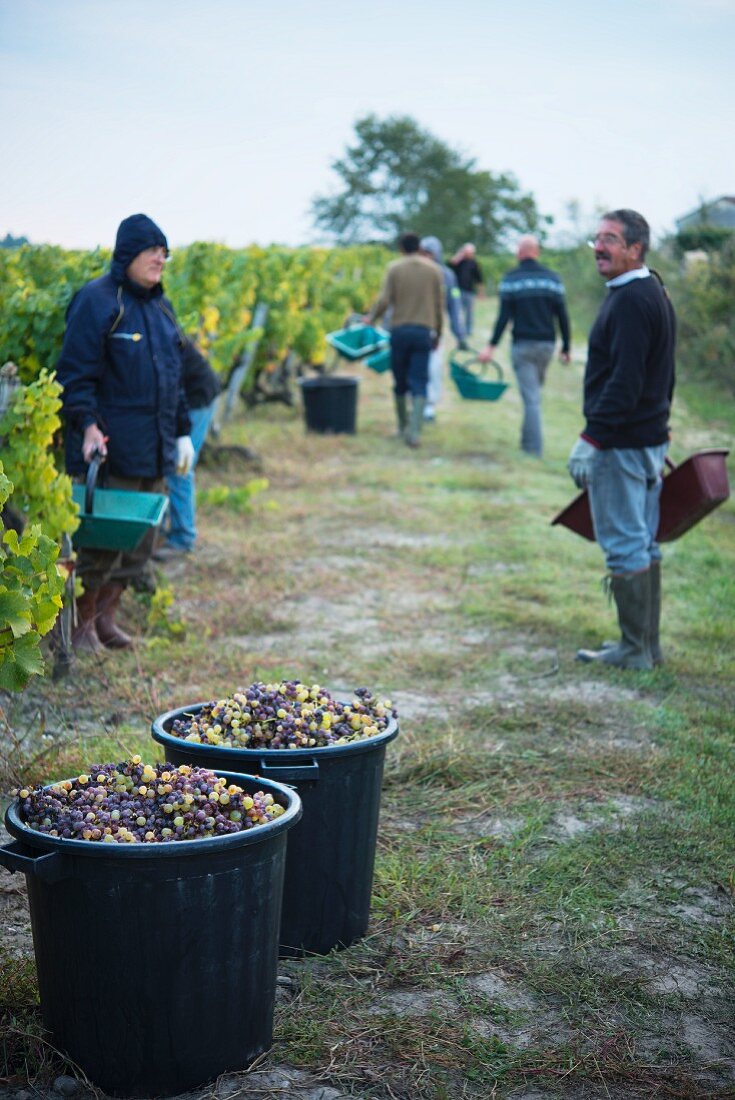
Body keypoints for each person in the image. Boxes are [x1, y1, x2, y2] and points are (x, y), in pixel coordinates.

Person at [57, 213, 193, 653]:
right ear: (128, 253)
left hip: (155, 448)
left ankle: (106, 620)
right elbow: (75, 375)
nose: (160, 258)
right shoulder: (99, 301)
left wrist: (184, 433)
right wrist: (88, 426)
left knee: (138, 546)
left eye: (165, 251)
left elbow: (175, 376)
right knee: (100, 545)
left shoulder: (160, 306)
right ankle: (80, 627)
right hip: (111, 450)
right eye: (152, 250)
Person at [567, 208, 676, 670]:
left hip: (624, 444)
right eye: (597, 237)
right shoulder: (651, 290)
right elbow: (661, 373)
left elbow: (627, 380)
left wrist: (592, 439)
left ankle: (634, 650)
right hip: (646, 439)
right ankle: (645, 647)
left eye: (610, 238)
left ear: (636, 248)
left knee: (626, 544)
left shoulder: (633, 299)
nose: (599, 246)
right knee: (643, 542)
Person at [478, 235, 570, 457]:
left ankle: (533, 449)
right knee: (534, 395)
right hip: (547, 346)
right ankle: (527, 440)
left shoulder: (511, 279)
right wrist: (566, 346)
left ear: (519, 252)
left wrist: (491, 346)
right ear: (536, 252)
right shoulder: (553, 279)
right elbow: (563, 316)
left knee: (531, 399)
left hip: (523, 346)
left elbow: (503, 317)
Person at [366, 232, 443, 448]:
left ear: (401, 248)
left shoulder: (394, 268)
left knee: (400, 381)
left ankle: (402, 426)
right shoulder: (434, 270)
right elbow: (439, 305)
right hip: (423, 333)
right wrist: (438, 332)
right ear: (419, 247)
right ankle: (415, 432)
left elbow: (384, 300)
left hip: (399, 331)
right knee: (420, 380)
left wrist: (371, 319)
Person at [153, 335, 221, 560]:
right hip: (192, 393)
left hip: (196, 397)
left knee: (179, 467)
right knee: (170, 465)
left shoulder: (153, 325)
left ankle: (183, 538)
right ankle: (164, 530)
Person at [418, 236, 466, 421]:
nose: (426, 257)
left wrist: (459, 333)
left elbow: (454, 304)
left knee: (433, 368)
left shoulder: (447, 276)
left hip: (433, 330)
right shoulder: (414, 272)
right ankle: (415, 404)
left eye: (430, 253)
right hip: (415, 327)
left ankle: (429, 407)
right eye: (424, 253)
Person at [448, 243, 484, 335]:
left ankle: (468, 330)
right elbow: (450, 264)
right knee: (456, 310)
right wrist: (459, 255)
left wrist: (481, 292)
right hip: (456, 290)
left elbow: (479, 279)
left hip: (469, 291)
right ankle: (457, 329)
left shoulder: (474, 263)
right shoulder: (458, 261)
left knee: (469, 312)